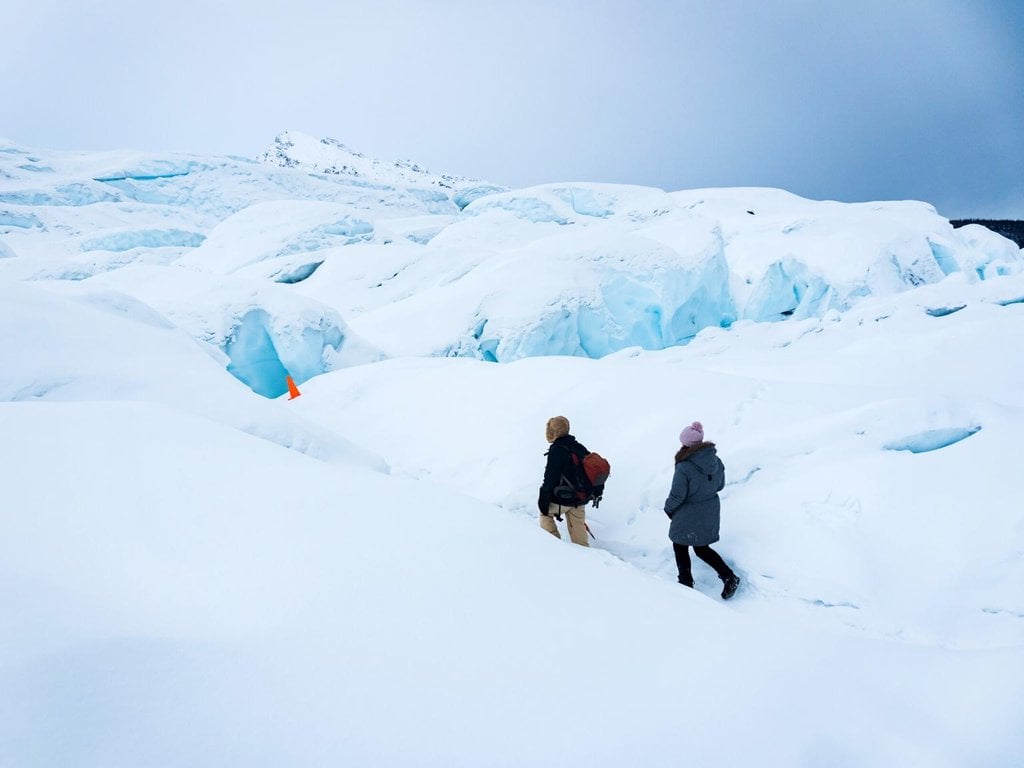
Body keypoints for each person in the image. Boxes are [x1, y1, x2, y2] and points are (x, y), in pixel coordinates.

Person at [664, 421, 741, 599]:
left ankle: (685, 583)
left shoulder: (684, 466)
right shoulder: (715, 460)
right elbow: (720, 485)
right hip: (710, 509)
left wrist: (669, 509)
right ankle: (729, 576)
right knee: (701, 547)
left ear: (686, 444)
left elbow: (677, 495)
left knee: (680, 545)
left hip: (688, 512)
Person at [537, 416, 590, 547]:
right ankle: (587, 558)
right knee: (578, 528)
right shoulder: (579, 447)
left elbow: (551, 476)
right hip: (580, 498)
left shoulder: (556, 450)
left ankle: (555, 547)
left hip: (563, 498)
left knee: (545, 514)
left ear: (552, 432)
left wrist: (543, 497)